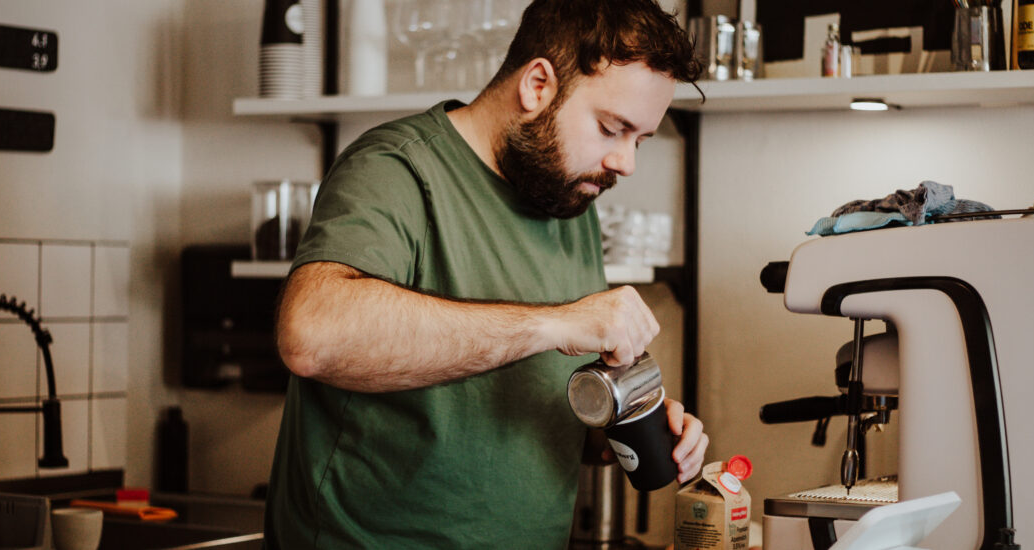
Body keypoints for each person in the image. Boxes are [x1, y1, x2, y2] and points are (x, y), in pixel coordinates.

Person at [264, 0, 706, 547]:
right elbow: (312, 336)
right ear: (538, 84)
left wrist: (634, 418)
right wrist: (552, 325)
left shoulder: (569, 201)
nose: (626, 163)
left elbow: (544, 409)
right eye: (612, 128)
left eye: (639, 140)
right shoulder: (396, 168)